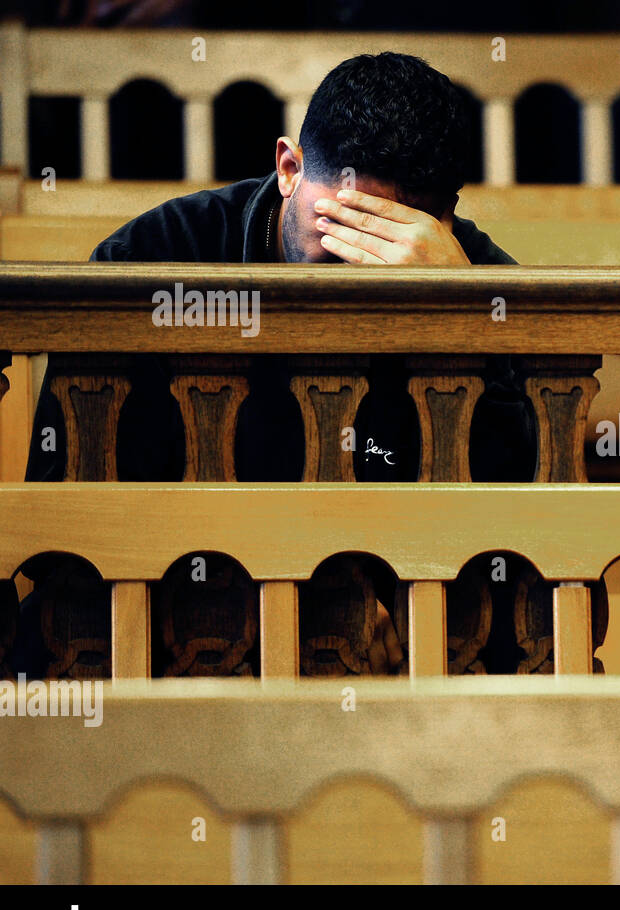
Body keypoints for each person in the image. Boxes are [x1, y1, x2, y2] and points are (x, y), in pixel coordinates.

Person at [16, 52, 531, 678]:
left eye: (392, 234)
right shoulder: (154, 260)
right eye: (345, 222)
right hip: (175, 626)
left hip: (404, 638)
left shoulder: (479, 281)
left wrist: (463, 318)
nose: (362, 257)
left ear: (444, 215)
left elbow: (522, 522)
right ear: (289, 168)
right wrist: (301, 598)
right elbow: (64, 520)